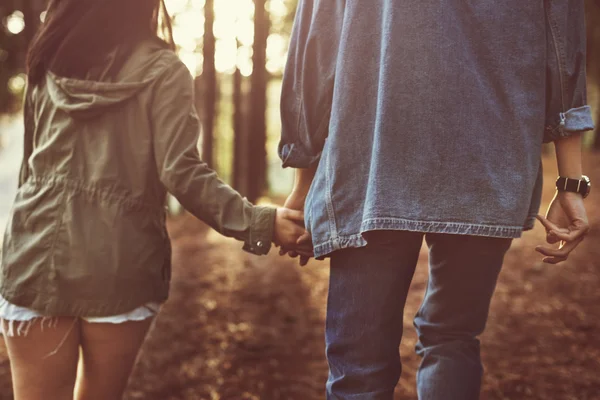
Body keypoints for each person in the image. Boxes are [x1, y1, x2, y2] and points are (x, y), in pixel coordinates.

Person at [279, 0, 594, 399]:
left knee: (359, 369)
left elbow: (316, 40)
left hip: (371, 161)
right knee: (453, 337)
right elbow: (562, 38)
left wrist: (303, 181)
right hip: (488, 158)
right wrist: (569, 179)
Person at [0, 1, 311, 399]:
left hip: (34, 256)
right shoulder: (163, 70)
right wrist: (261, 223)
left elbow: (31, 168)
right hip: (119, 261)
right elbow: (182, 174)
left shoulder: (45, 59)